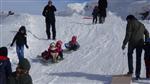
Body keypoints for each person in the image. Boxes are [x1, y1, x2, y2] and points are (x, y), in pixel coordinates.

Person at [122, 15, 149, 80]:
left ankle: (131, 71)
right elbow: (147, 33)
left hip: (132, 43)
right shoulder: (141, 24)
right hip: (140, 43)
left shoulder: (130, 23)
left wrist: (124, 43)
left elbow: (128, 34)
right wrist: (147, 41)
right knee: (138, 58)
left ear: (129, 19)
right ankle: (137, 74)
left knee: (129, 55)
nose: (127, 22)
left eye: (127, 20)